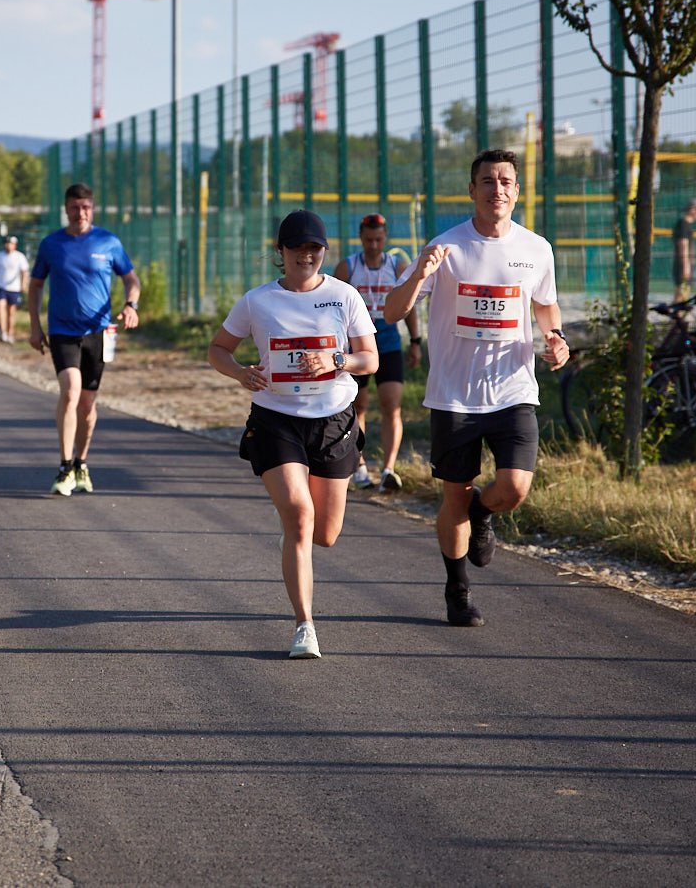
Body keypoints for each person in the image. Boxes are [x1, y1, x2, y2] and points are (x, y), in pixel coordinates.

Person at [384, 149, 569, 628]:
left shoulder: (537, 249)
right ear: (472, 190)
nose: (497, 189)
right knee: (453, 497)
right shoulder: (446, 247)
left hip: (513, 389)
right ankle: (458, 591)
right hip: (454, 395)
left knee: (514, 488)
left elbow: (546, 306)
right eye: (487, 181)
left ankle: (482, 512)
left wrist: (556, 338)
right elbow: (392, 310)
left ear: (517, 191)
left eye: (505, 181)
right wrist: (420, 273)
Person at [209, 210, 377, 659]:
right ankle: (305, 625)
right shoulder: (257, 301)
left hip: (333, 420)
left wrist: (337, 361)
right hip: (275, 419)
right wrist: (240, 373)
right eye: (297, 248)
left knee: (325, 533)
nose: (306, 255)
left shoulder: (343, 296)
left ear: (323, 251)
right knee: (300, 516)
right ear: (279, 251)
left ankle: (294, 538)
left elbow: (370, 359)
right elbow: (218, 349)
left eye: (314, 248)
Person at [28, 183, 141, 496]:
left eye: (86, 207)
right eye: (75, 207)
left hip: (98, 332)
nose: (81, 213)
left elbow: (131, 279)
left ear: (93, 209)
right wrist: (35, 326)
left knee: (88, 405)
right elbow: (36, 285)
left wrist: (131, 305)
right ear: (66, 209)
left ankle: (81, 463)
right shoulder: (52, 244)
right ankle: (65, 467)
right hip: (62, 331)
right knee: (70, 390)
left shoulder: (108, 242)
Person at [333, 212, 419, 491]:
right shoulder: (347, 267)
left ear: (385, 238)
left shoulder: (396, 265)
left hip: (389, 340)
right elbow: (333, 308)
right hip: (356, 343)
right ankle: (358, 465)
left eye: (378, 240)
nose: (373, 245)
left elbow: (408, 306)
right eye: (368, 240)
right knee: (357, 406)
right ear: (361, 237)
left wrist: (415, 341)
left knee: (391, 405)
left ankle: (388, 470)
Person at [0, 235, 30, 343]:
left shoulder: (20, 256)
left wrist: (23, 284)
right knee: (0, 309)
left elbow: (24, 272)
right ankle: (3, 332)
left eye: (11, 243)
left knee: (11, 312)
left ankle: (10, 333)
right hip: (0, 286)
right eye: (7, 243)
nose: (9, 245)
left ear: (15, 245)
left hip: (14, 288)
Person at [672, 199, 696, 302]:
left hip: (685, 264)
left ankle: (677, 311)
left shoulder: (685, 224)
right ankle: (677, 311)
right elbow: (683, 245)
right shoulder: (683, 224)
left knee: (682, 294)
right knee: (681, 294)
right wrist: (686, 265)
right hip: (683, 264)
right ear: (692, 209)